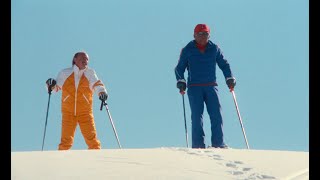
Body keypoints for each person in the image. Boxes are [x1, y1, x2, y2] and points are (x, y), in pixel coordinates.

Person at [174, 24, 236, 149]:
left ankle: (218, 143)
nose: (203, 37)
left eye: (206, 34)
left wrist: (229, 78)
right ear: (194, 35)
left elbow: (224, 64)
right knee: (197, 117)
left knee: (216, 115)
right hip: (194, 87)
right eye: (200, 34)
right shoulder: (187, 49)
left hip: (211, 86)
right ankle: (198, 145)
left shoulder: (214, 49)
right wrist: (181, 81)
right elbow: (179, 68)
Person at [46, 51, 108, 150]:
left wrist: (102, 92)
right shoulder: (65, 73)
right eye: (82, 58)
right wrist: (50, 85)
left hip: (85, 112)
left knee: (93, 141)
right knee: (65, 142)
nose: (85, 61)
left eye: (87, 59)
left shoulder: (90, 73)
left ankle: (97, 162)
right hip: (68, 112)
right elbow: (55, 88)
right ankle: (61, 163)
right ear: (75, 59)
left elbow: (97, 84)